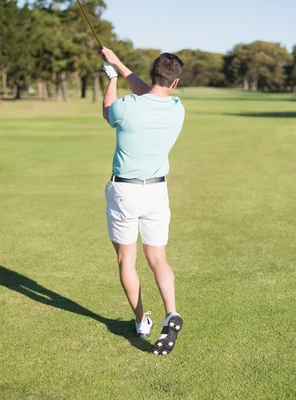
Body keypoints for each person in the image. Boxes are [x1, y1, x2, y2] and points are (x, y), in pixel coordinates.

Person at [99, 47, 185, 356]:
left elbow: (108, 111)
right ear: (174, 83)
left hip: (125, 191)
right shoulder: (177, 107)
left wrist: (111, 76)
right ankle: (171, 312)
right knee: (158, 258)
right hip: (156, 191)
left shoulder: (127, 106)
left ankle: (141, 320)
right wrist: (119, 64)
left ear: (152, 74)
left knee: (126, 260)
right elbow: (150, 94)